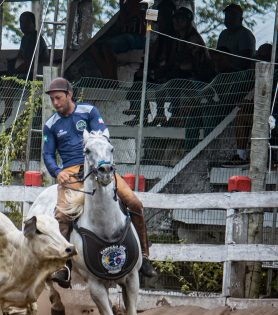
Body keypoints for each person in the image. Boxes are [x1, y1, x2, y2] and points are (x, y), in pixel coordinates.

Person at [42, 77, 156, 288]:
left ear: (69, 95)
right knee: (62, 215)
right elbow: (47, 155)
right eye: (52, 99)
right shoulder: (50, 125)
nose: (55, 103)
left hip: (99, 166)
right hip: (71, 172)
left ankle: (145, 257)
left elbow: (102, 137)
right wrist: (57, 172)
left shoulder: (90, 111)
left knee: (134, 203)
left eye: (58, 98)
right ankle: (64, 266)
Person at [152, 6, 215, 83]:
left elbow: (192, 64)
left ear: (187, 22)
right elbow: (172, 60)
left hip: (199, 78)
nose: (176, 21)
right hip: (184, 74)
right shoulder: (178, 37)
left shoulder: (193, 38)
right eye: (175, 18)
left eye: (181, 19)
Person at [215, 4, 256, 74]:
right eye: (227, 16)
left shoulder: (245, 34)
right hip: (221, 73)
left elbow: (245, 62)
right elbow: (217, 56)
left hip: (239, 75)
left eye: (233, 15)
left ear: (241, 19)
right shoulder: (223, 34)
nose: (229, 18)